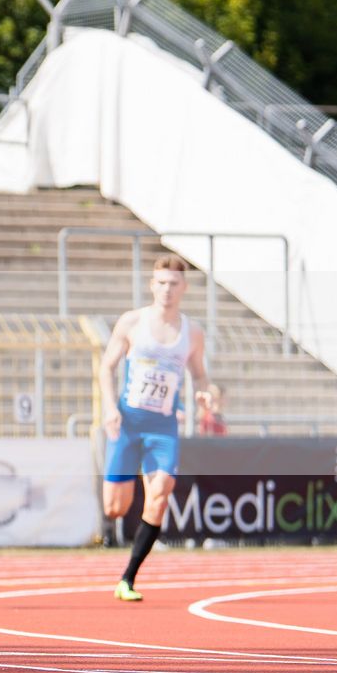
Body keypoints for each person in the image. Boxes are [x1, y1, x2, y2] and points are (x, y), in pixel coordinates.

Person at [100, 255, 215, 602]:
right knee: (115, 508)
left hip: (163, 427)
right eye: (161, 283)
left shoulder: (192, 333)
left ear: (184, 288)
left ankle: (127, 579)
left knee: (161, 496)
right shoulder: (132, 322)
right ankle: (128, 485)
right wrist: (109, 408)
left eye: (174, 284)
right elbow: (106, 368)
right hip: (129, 424)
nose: (167, 290)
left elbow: (199, 374)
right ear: (152, 284)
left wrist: (204, 394)